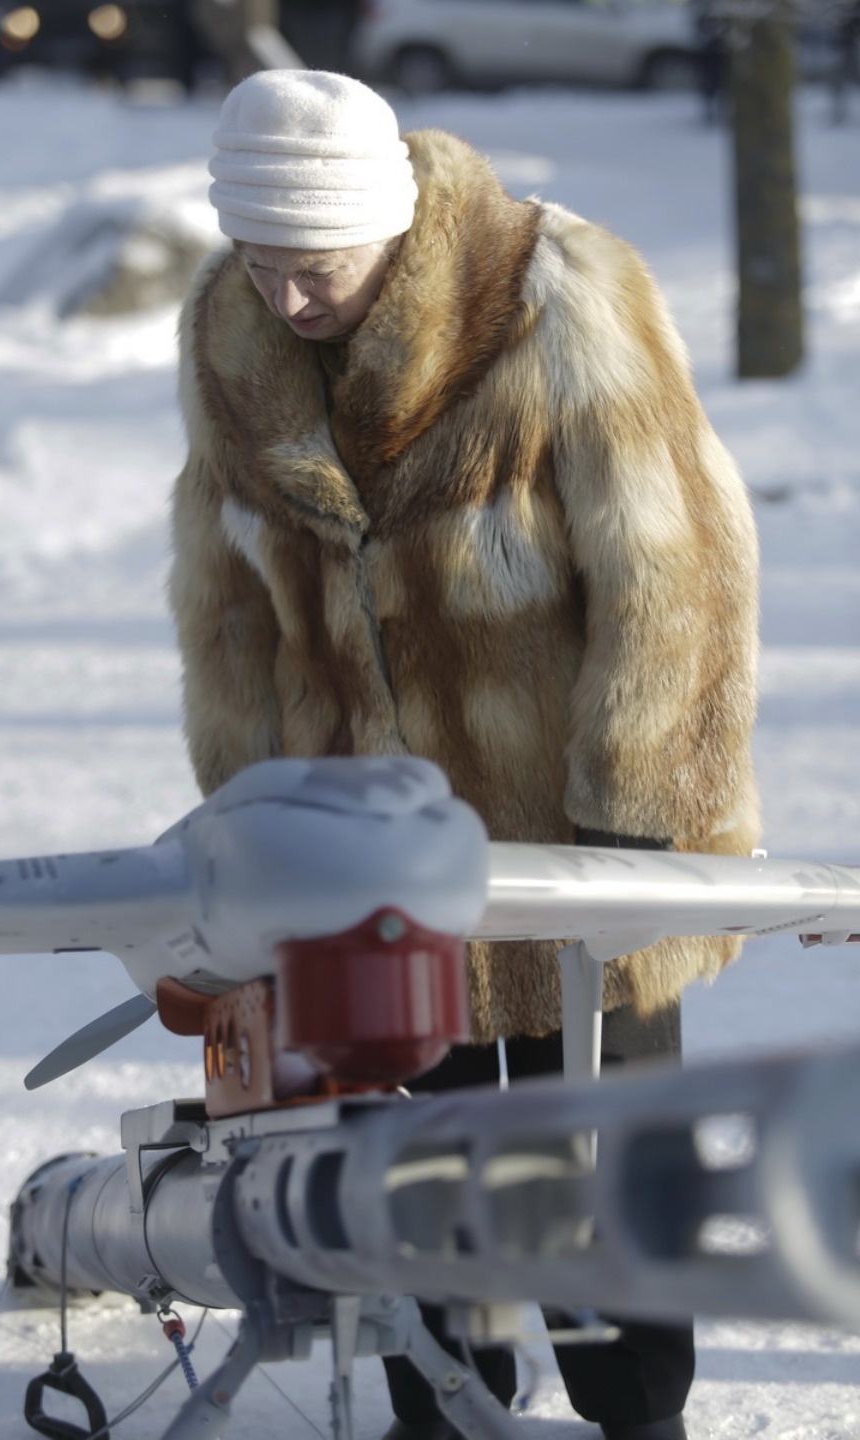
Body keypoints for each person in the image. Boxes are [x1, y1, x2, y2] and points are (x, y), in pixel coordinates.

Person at [169, 69, 760, 1440]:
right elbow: (226, 605)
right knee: (400, 1151)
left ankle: (636, 1414)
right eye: (258, 261)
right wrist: (252, 821)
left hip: (569, 817)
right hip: (359, 828)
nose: (286, 297)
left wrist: (632, 826)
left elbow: (678, 571)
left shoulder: (559, 299)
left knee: (597, 1156)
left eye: (313, 267)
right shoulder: (224, 334)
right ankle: (438, 1407)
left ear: (386, 225)